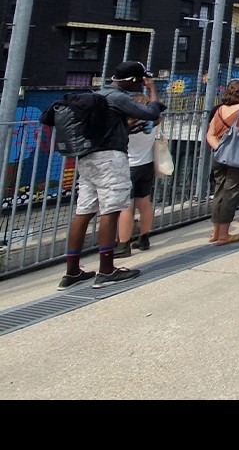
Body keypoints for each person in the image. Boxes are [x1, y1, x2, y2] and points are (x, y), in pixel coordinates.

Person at [57, 60, 165, 290]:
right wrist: (152, 89)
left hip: (87, 158)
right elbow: (151, 112)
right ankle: (107, 269)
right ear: (134, 81)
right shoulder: (119, 97)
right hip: (110, 159)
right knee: (111, 210)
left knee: (83, 211)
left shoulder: (98, 95)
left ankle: (72, 271)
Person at [205, 79, 239, 245]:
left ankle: (215, 232)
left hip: (219, 155)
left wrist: (219, 149)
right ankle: (224, 234)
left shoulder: (220, 109)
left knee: (218, 192)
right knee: (231, 193)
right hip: (237, 157)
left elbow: (210, 134)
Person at [114, 93, 157, 258]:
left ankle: (123, 243)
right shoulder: (152, 122)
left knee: (126, 206)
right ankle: (144, 237)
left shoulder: (126, 126)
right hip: (146, 164)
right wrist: (152, 88)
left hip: (129, 166)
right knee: (144, 203)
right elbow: (156, 106)